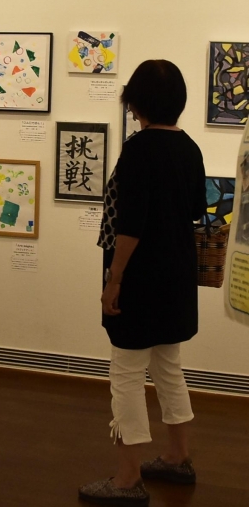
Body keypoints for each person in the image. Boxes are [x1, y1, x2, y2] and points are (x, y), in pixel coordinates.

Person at [79, 60, 206, 506]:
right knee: (168, 365)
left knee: (127, 373)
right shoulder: (189, 148)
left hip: (140, 278)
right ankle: (177, 456)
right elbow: (195, 209)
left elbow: (130, 226)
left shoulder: (138, 150)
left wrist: (114, 280)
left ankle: (128, 477)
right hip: (177, 276)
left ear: (138, 102)